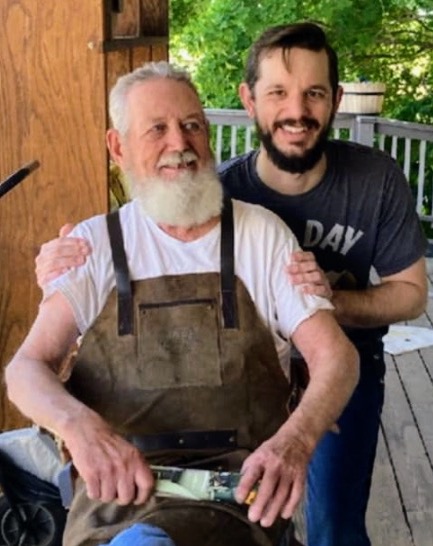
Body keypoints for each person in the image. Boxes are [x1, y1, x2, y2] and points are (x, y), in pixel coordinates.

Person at [34, 23, 429, 546]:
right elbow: (31, 363)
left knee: (335, 525)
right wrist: (58, 277)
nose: (296, 110)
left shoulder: (345, 191)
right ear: (249, 101)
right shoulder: (194, 196)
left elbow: (409, 296)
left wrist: (320, 308)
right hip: (154, 470)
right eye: (278, 92)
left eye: (313, 93)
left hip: (322, 370)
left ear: (336, 100)